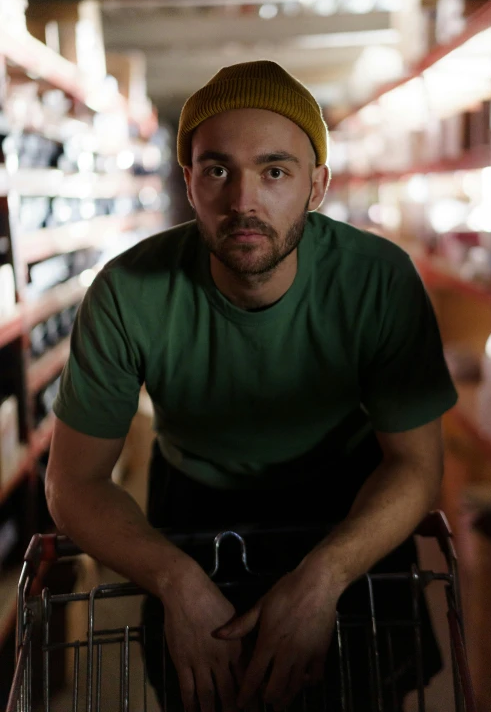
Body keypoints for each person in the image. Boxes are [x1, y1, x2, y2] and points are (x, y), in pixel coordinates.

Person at [46, 60, 458, 712]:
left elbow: (415, 461)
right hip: (191, 514)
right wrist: (174, 580)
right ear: (187, 180)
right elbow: (72, 482)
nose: (243, 201)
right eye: (217, 169)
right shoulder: (126, 295)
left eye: (274, 171)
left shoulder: (378, 281)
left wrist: (326, 576)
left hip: (348, 507)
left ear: (316, 185)